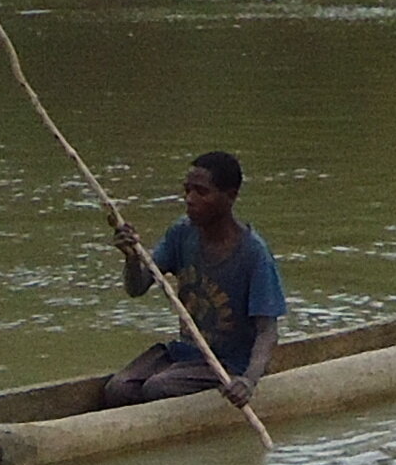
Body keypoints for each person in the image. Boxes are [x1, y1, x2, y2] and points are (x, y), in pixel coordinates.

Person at [97, 149, 285, 409]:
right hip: (185, 353)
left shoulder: (254, 254)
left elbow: (267, 331)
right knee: (118, 389)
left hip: (227, 364)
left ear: (230, 197)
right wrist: (130, 257)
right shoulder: (181, 233)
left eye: (201, 192)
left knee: (157, 388)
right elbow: (137, 287)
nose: (189, 199)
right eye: (187, 190)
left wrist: (249, 381)